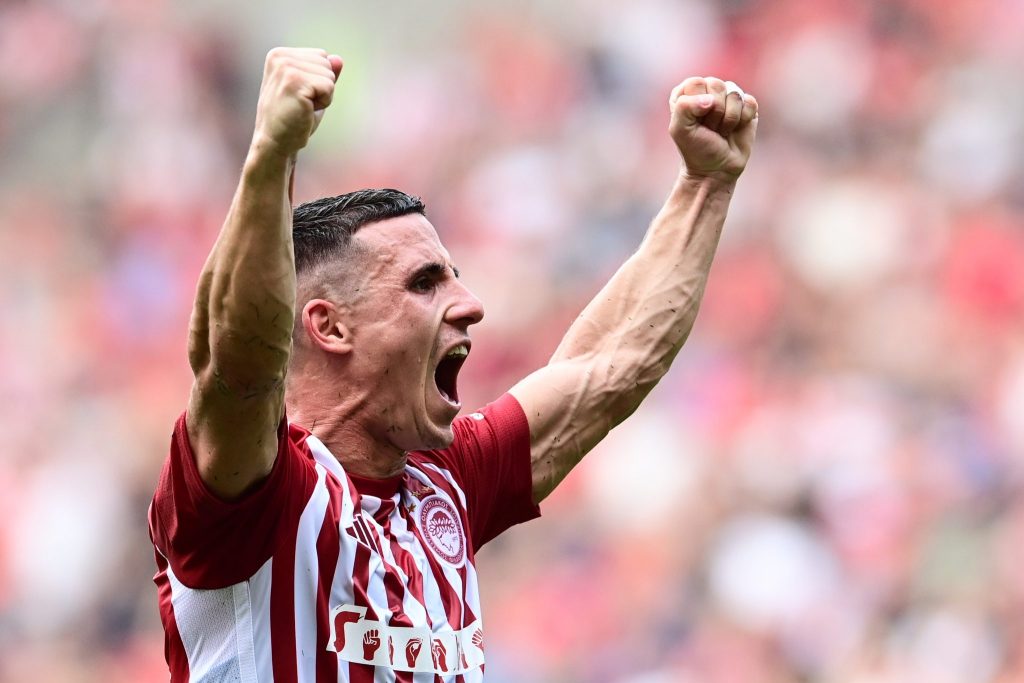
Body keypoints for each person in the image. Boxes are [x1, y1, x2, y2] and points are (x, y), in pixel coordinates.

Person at [148, 46, 758, 682]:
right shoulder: (254, 497)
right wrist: (272, 156)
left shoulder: (446, 480)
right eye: (425, 283)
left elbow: (611, 365)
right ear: (329, 326)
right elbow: (237, 362)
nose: (470, 305)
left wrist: (706, 185)